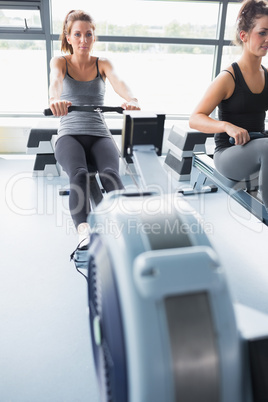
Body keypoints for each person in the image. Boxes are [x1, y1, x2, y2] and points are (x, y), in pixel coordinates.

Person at [49, 10, 140, 256]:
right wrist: (54, 100)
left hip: (99, 133)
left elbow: (118, 82)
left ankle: (126, 228)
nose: (83, 40)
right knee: (78, 175)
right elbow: (55, 81)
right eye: (77, 34)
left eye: (88, 34)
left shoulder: (103, 63)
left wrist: (130, 98)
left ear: (94, 36)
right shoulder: (60, 62)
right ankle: (83, 233)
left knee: (110, 174)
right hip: (70, 134)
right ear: (68, 37)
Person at [189, 0, 268, 211]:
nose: (267, 39)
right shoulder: (228, 77)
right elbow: (195, 118)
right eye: (262, 33)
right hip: (229, 154)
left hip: (256, 145)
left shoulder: (266, 76)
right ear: (244, 35)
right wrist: (226, 126)